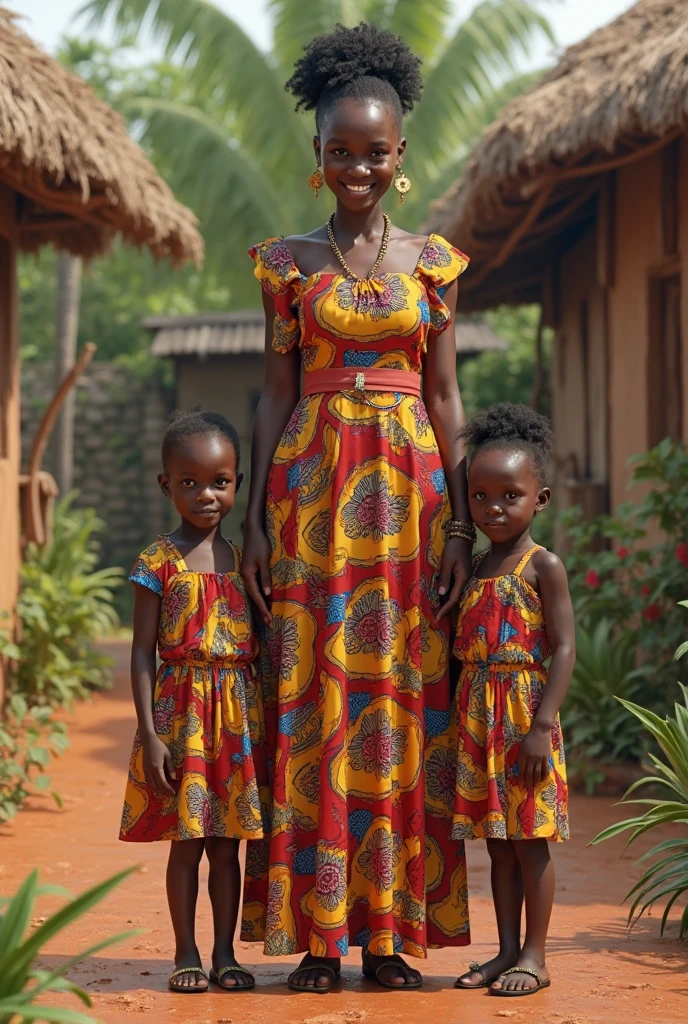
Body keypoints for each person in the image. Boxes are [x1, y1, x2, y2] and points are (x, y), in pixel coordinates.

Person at [240, 22, 473, 994]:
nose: (358, 169)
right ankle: (316, 937)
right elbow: (273, 394)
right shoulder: (286, 263)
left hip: (413, 507)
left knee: (402, 697)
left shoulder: (434, 263)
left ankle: (388, 936)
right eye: (340, 152)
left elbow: (446, 397)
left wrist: (461, 520)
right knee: (313, 698)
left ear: (399, 153)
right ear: (318, 153)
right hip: (311, 500)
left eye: (374, 153)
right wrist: (253, 521)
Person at [120, 409, 271, 994]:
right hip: (180, 717)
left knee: (226, 848)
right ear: (167, 486)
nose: (206, 495)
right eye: (190, 483)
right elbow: (142, 655)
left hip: (235, 721)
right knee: (186, 846)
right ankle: (185, 953)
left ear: (237, 483)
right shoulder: (156, 563)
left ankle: (224, 955)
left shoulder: (247, 560)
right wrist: (150, 735)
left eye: (220, 482)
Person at [452, 403, 574, 997]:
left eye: (509, 496)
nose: (493, 509)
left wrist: (541, 727)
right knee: (498, 845)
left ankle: (535, 956)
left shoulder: (542, 566)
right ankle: (504, 951)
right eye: (479, 497)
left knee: (530, 843)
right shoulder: (473, 567)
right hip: (478, 720)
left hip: (525, 718)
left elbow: (565, 647)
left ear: (540, 499)